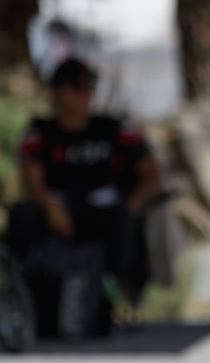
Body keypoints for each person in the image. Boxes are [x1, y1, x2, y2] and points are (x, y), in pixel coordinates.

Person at [7, 57, 163, 336]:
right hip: (57, 212)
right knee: (22, 216)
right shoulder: (40, 133)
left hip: (103, 213)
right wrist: (51, 207)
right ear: (58, 92)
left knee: (122, 219)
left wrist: (131, 205)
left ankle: (112, 293)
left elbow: (151, 178)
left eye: (89, 88)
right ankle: (22, 296)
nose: (85, 95)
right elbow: (32, 181)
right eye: (77, 88)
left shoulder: (114, 129)